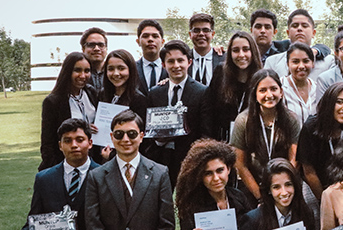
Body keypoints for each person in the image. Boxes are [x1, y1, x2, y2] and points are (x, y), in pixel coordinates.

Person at [146, 40, 213, 186]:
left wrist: (196, 158)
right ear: (163, 65)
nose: (176, 66)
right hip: (159, 159)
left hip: (189, 160)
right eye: (171, 61)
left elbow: (206, 132)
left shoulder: (202, 92)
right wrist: (158, 140)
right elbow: (147, 130)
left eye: (180, 60)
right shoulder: (154, 93)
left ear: (189, 62)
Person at [231, 69, 300, 203]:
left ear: (281, 92)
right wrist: (261, 197)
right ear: (255, 94)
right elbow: (240, 164)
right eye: (263, 90)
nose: (269, 95)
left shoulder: (291, 119)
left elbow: (294, 161)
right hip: (254, 186)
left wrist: (282, 190)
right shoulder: (243, 121)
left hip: (284, 186)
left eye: (273, 89)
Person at [297, 82, 343, 201]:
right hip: (316, 188)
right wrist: (325, 200)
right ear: (329, 103)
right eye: (339, 102)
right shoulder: (311, 128)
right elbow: (309, 171)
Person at [39, 52, 98, 171]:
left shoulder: (91, 93)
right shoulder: (53, 101)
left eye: (87, 71)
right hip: (65, 164)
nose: (83, 75)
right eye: (77, 70)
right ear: (67, 72)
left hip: (92, 162)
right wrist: (54, 170)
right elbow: (48, 142)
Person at [208, 31, 262, 141]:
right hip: (223, 140)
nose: (241, 55)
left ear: (253, 51)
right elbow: (210, 109)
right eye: (235, 50)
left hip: (251, 141)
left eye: (246, 49)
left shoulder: (261, 77)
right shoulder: (221, 72)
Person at [264, 9, 334, 81]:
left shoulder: (329, 62)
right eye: (295, 26)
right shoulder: (272, 62)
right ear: (288, 33)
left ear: (313, 32)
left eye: (304, 26)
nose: (299, 29)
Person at [101, 49, 148, 123]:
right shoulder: (102, 94)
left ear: (131, 70)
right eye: (111, 69)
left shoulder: (139, 100)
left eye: (121, 68)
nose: (116, 73)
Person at [281, 42, 317, 127]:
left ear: (312, 63)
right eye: (295, 62)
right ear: (288, 64)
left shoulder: (317, 88)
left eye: (306, 61)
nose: (301, 66)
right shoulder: (279, 87)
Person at [188, 12, 225, 86]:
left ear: (213, 34)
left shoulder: (224, 59)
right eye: (196, 30)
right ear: (190, 34)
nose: (201, 34)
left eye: (206, 30)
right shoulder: (184, 58)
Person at [135, 19, 167, 96]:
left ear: (162, 42)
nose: (150, 39)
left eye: (155, 36)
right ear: (138, 41)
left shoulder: (171, 69)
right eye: (145, 36)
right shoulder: (132, 69)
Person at [80, 27, 107, 95]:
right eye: (91, 45)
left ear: (106, 48)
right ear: (83, 49)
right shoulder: (76, 73)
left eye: (101, 45)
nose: (96, 49)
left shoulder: (115, 73)